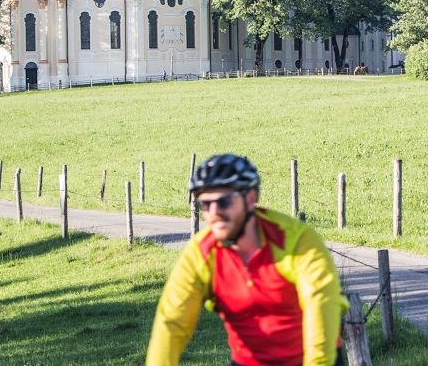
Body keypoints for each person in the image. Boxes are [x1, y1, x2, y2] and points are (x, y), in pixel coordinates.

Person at [147, 154, 349, 366]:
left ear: (251, 198)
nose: (214, 213)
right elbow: (172, 323)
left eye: (223, 201)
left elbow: (320, 309)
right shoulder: (202, 253)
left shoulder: (297, 241)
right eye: (205, 204)